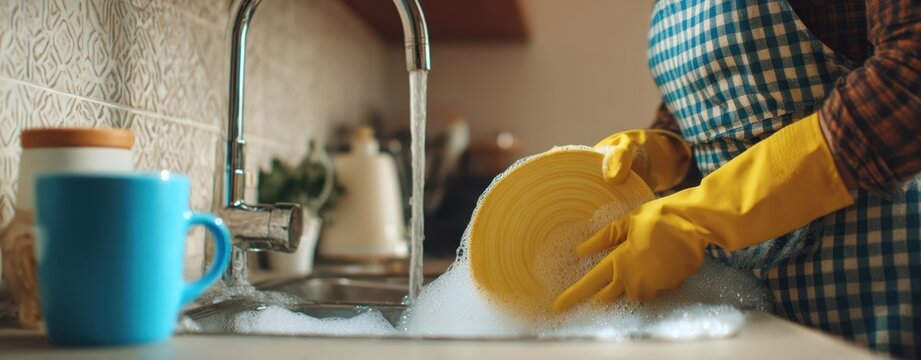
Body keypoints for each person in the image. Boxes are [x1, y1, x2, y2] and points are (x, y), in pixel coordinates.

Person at [552, 0, 920, 357]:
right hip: (739, 312)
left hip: (873, 294)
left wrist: (704, 214)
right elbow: (708, 118)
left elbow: (907, 82)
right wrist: (664, 152)